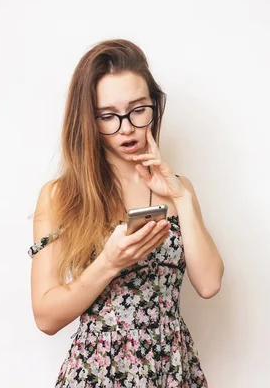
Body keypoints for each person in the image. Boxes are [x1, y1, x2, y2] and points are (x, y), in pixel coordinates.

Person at [27, 39, 224, 387]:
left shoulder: (180, 188)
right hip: (100, 372)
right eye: (108, 116)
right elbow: (46, 316)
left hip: (171, 367)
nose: (127, 127)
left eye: (138, 109)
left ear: (155, 105)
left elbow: (209, 284)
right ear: (88, 120)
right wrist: (110, 263)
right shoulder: (60, 196)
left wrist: (182, 197)